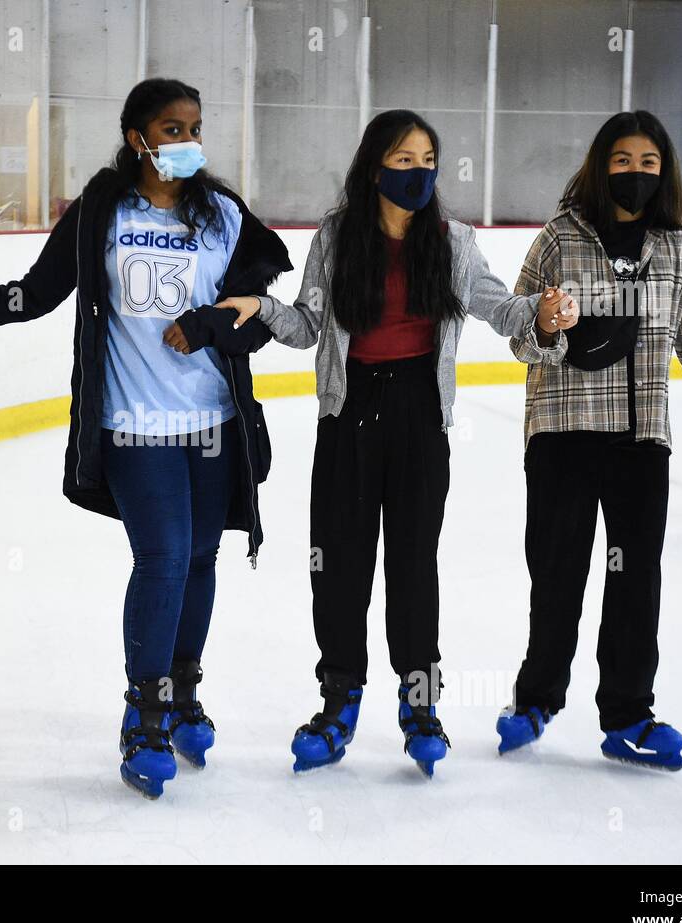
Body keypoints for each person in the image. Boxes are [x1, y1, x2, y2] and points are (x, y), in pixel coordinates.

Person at [0, 78, 291, 799]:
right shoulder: (99, 214)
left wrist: (213, 323)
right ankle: (143, 712)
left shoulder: (224, 215)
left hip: (213, 422)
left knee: (202, 556)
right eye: (172, 129)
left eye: (195, 127)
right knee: (165, 557)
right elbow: (38, 291)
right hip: (133, 426)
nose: (187, 142)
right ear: (137, 136)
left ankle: (181, 690)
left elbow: (261, 311)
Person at [220, 109, 577, 777]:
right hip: (348, 415)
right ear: (374, 165)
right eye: (403, 158)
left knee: (414, 569)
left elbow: (504, 310)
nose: (417, 171)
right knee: (339, 570)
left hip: (419, 417)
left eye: (426, 159)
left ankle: (420, 707)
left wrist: (543, 314)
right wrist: (258, 307)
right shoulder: (336, 238)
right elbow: (306, 326)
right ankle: (339, 702)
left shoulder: (453, 242)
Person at [496, 110, 682, 771]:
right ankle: (536, 699)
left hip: (643, 442)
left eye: (648, 163)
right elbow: (519, 334)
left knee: (635, 580)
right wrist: (548, 324)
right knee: (558, 574)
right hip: (562, 434)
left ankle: (628, 714)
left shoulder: (681, 250)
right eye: (623, 161)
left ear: (663, 171)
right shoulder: (560, 239)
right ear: (599, 165)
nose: (635, 173)